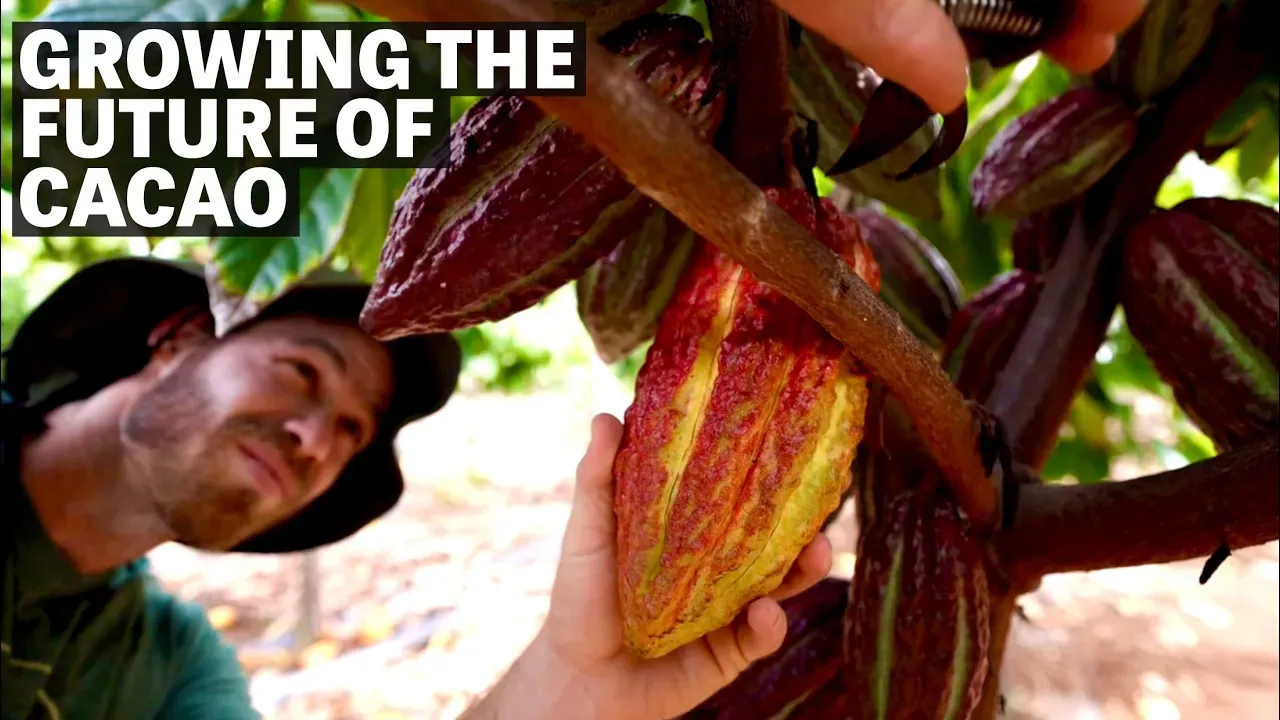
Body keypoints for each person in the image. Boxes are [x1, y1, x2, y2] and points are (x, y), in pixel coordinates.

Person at [2, 4, 1145, 717]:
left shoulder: (162, 673)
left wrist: (578, 682)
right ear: (176, 338)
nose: (317, 441)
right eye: (302, 373)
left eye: (350, 433)